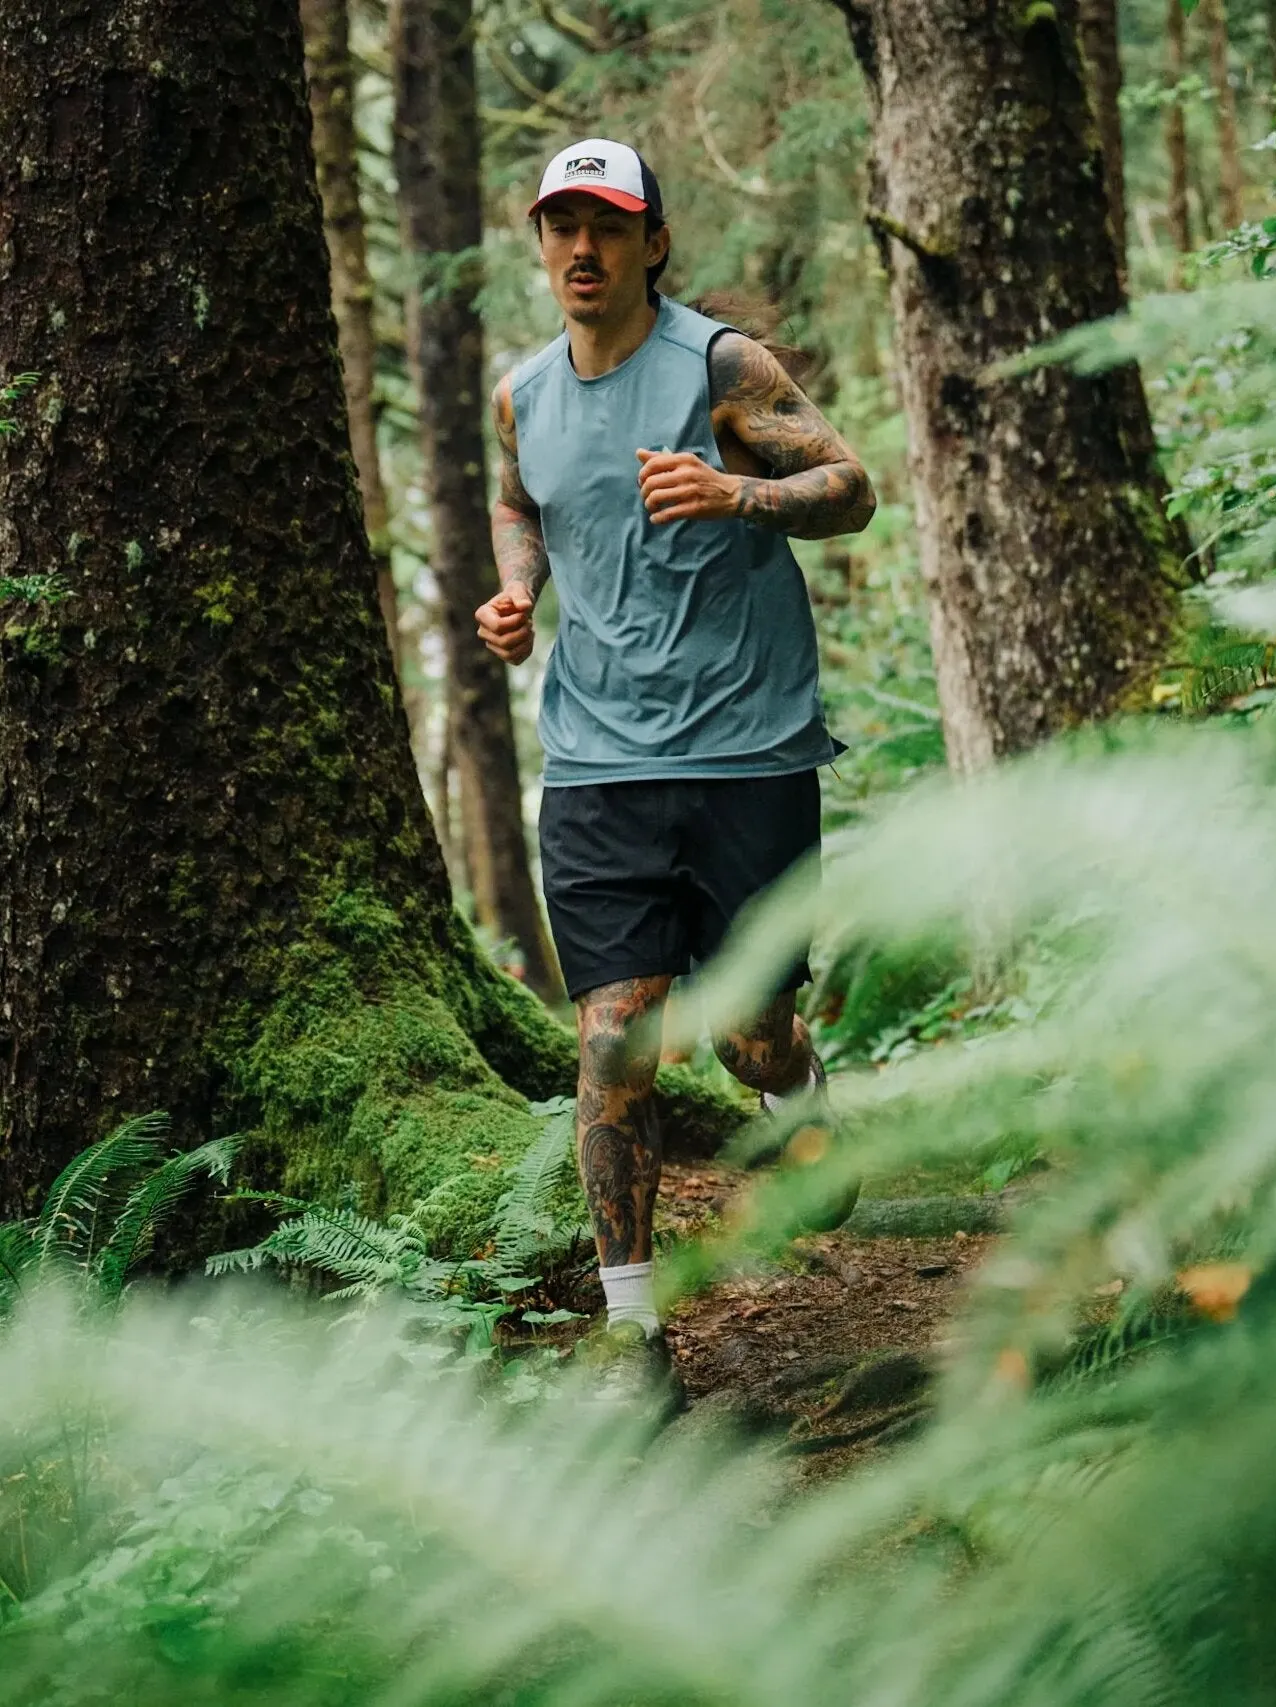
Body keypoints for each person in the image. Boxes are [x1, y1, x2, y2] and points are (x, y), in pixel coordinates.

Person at [475, 138, 875, 1407]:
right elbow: (520, 501)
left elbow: (851, 489)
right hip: (597, 765)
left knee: (747, 1039)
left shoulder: (720, 367)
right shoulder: (521, 392)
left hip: (748, 749)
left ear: (654, 242)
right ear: (540, 246)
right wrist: (517, 592)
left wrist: (735, 494)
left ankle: (796, 1086)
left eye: (608, 227)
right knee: (611, 1045)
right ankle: (633, 1336)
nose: (582, 251)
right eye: (561, 228)